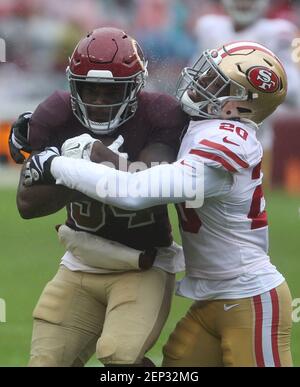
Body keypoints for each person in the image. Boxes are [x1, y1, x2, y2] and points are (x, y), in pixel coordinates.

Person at [26, 41, 293, 367]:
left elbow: (134, 192)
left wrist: (55, 165)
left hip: (249, 296)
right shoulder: (199, 125)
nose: (201, 82)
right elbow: (143, 129)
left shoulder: (229, 140)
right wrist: (36, 130)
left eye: (215, 83)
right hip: (210, 298)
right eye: (206, 73)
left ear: (239, 105)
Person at [10, 27, 189, 367]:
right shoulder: (55, 112)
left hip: (143, 264)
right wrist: (68, 168)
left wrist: (90, 158)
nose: (98, 101)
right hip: (81, 261)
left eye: (110, 91)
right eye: (88, 89)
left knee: (120, 357)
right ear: (72, 85)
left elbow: (146, 188)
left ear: (136, 87)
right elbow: (26, 205)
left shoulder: (159, 114)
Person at [193, 0, 300, 186]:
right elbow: (194, 77)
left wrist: (254, 84)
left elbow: (293, 91)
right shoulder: (209, 27)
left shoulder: (278, 31)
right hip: (209, 134)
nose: (243, 3)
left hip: (253, 140)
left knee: (248, 203)